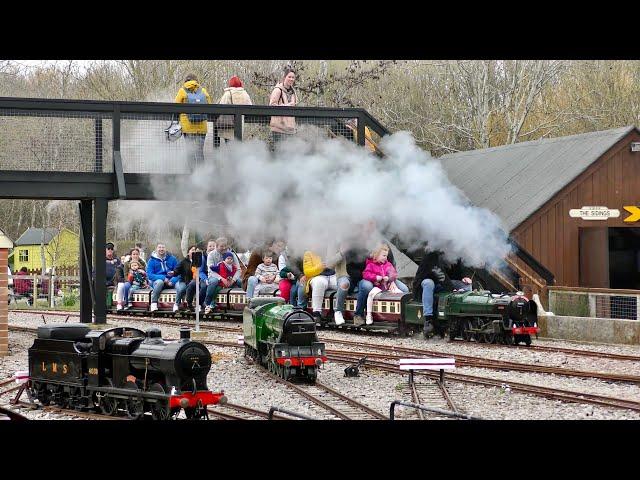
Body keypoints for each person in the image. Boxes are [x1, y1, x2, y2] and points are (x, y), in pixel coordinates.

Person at [412, 246, 453, 338]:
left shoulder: (451, 254)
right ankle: (428, 319)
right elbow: (439, 274)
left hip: (441, 284)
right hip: (424, 283)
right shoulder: (432, 255)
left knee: (463, 285)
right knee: (428, 283)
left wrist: (464, 278)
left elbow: (457, 271)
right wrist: (452, 288)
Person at [175, 73, 212, 169]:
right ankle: (202, 176)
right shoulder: (203, 91)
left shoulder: (182, 91)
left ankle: (191, 176)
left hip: (188, 128)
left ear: (186, 81)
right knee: (199, 152)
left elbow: (175, 107)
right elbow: (210, 104)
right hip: (202, 128)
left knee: (190, 152)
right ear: (196, 81)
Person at [362, 244, 400, 325]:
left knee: (399, 293)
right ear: (376, 255)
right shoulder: (370, 265)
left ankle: (400, 315)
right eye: (383, 255)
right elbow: (366, 274)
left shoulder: (388, 264)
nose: (385, 258)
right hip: (377, 286)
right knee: (371, 294)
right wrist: (375, 277)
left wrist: (388, 278)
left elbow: (394, 273)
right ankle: (369, 314)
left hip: (387, 286)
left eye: (386, 256)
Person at [204, 237, 242, 314]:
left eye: (225, 246)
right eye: (221, 246)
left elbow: (238, 269)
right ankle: (208, 303)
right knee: (213, 281)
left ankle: (246, 300)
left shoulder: (231, 255)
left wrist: (233, 279)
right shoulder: (211, 255)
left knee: (240, 281)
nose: (224, 248)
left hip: (230, 277)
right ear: (216, 246)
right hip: (215, 276)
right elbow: (211, 271)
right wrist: (221, 278)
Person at [216, 76, 253, 144]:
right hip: (240, 125)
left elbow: (221, 106)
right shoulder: (245, 94)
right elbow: (250, 108)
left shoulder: (228, 94)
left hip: (228, 125)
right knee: (237, 145)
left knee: (229, 145)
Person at [269, 66, 298, 148]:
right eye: (289, 77)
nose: (291, 79)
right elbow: (272, 106)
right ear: (284, 77)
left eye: (293, 77)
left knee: (289, 155)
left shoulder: (293, 92)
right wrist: (287, 105)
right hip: (279, 128)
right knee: (279, 154)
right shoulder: (278, 90)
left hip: (290, 129)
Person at [146, 243, 179, 312]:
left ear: (166, 249)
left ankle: (178, 304)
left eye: (163, 247)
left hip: (171, 281)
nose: (161, 249)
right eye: (159, 247)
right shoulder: (151, 260)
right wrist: (163, 278)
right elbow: (150, 275)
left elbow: (178, 272)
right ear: (156, 249)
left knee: (180, 285)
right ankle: (154, 303)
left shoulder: (172, 259)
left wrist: (172, 281)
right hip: (157, 281)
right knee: (159, 282)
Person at [172, 245, 205, 313]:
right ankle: (176, 304)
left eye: (196, 250)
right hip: (184, 281)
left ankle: (198, 305)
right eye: (192, 250)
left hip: (195, 281)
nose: (194, 251)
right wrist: (174, 272)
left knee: (198, 290)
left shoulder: (199, 261)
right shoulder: (184, 261)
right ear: (188, 253)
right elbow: (177, 270)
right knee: (181, 289)